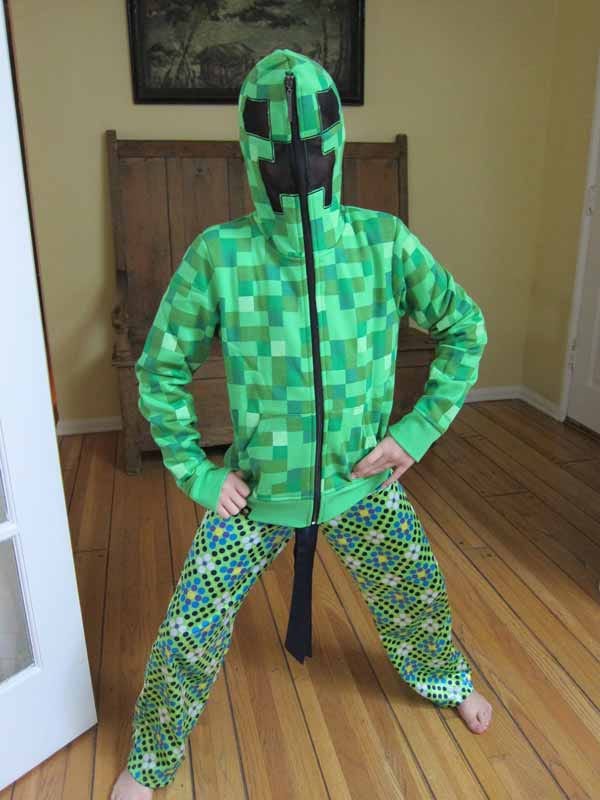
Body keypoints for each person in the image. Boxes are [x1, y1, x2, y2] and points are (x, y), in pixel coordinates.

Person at [111, 47, 491, 799]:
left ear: (336, 142)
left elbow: (464, 328)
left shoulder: (382, 243)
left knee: (415, 588)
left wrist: (415, 432)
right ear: (252, 152)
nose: (297, 163)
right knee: (190, 626)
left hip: (362, 481)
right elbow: (159, 368)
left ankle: (444, 677)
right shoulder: (221, 257)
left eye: (312, 147)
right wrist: (196, 470)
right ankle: (149, 760)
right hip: (257, 493)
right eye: (278, 150)